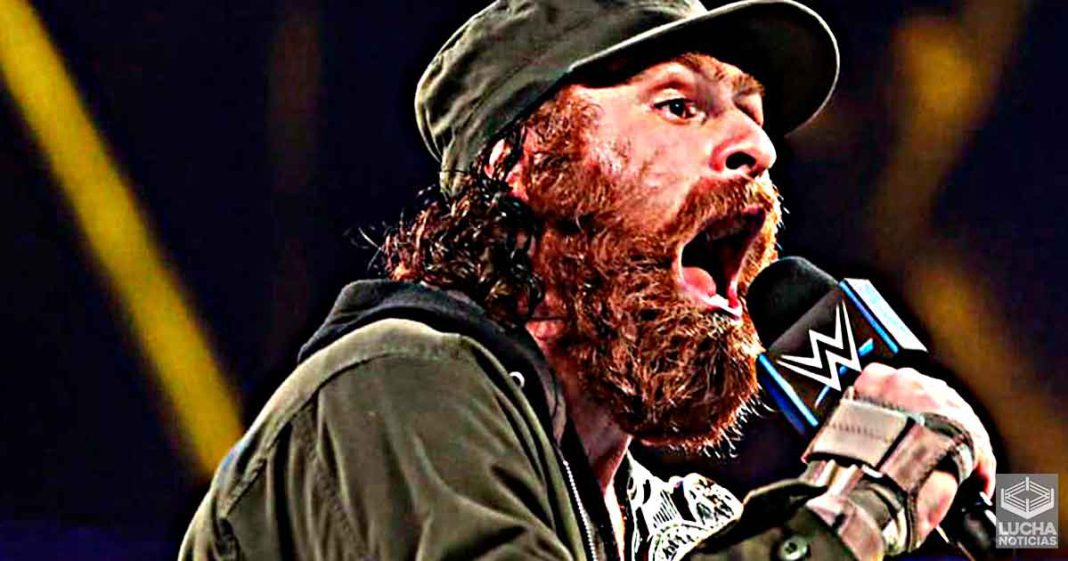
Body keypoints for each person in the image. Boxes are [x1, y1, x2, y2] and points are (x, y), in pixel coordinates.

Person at [180, 0, 996, 559]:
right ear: (528, 159)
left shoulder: (669, 521)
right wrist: (857, 502)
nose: (760, 147)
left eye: (752, 114)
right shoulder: (393, 385)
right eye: (679, 106)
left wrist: (995, 500)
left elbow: (1035, 534)